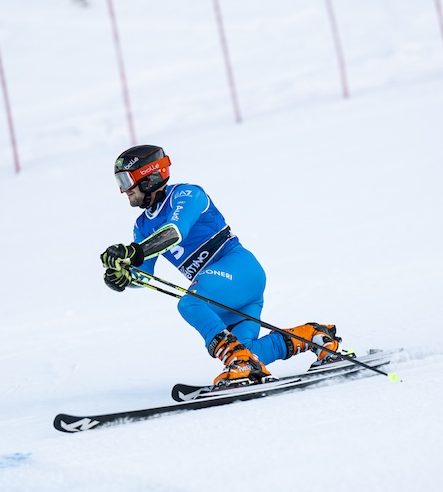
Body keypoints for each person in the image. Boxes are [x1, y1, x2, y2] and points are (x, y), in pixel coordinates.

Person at [100, 144, 343, 388]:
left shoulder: (187, 194)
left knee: (189, 302)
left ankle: (240, 363)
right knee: (250, 352)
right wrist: (123, 277)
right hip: (222, 289)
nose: (123, 190)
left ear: (148, 176)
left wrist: (135, 252)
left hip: (238, 269)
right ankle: (315, 337)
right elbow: (144, 274)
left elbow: (174, 232)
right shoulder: (142, 225)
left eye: (126, 180)